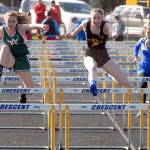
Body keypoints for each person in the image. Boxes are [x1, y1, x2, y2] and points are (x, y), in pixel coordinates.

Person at [66, 8, 131, 96]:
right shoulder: (86, 24)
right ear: (91, 18)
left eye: (98, 18)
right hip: (89, 54)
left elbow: (112, 31)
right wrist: (72, 34)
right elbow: (80, 27)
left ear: (102, 18)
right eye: (94, 18)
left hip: (103, 56)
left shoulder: (106, 25)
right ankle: (93, 85)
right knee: (92, 68)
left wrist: (114, 34)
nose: (96, 20)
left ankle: (110, 76)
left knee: (125, 82)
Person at [0, 11, 48, 103]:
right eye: (9, 21)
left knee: (30, 90)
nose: (11, 23)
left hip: (21, 58)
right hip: (10, 58)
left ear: (17, 21)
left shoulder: (21, 28)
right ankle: (0, 69)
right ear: (5, 21)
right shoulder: (2, 29)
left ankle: (23, 91)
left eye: (13, 21)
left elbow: (31, 26)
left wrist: (42, 26)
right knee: (5, 47)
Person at [133, 23, 150, 116]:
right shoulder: (142, 40)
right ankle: (141, 109)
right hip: (143, 68)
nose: (149, 34)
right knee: (142, 87)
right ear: (145, 32)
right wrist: (135, 56)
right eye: (148, 32)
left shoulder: (146, 43)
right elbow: (136, 47)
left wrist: (147, 48)